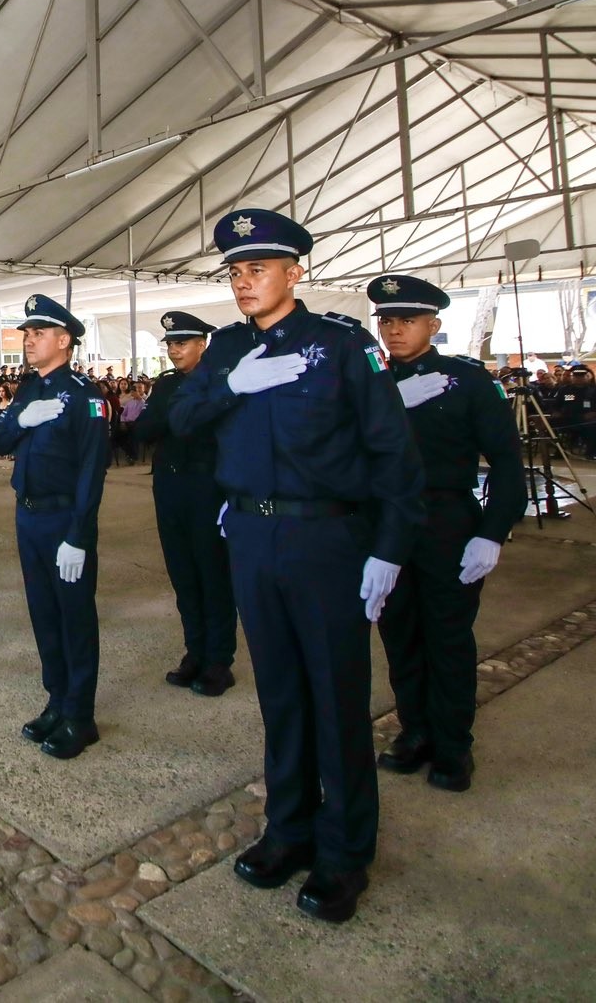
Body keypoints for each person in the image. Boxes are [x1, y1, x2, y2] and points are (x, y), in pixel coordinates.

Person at [168, 210, 423, 926]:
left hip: (326, 540)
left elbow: (393, 454)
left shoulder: (341, 345)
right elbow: (180, 422)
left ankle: (344, 852)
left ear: (295, 272)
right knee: (280, 695)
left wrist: (389, 547)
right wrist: (233, 385)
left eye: (259, 269)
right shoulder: (223, 352)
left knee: (337, 699)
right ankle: (288, 829)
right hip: (251, 533)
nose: (245, 282)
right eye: (236, 272)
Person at [367, 275, 524, 794]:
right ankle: (415, 731)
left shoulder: (469, 381)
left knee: (448, 637)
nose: (394, 330)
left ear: (434, 324)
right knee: (399, 633)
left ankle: (454, 746)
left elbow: (504, 461)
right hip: (386, 523)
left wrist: (493, 530)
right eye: (387, 320)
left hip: (445, 520)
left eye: (407, 320)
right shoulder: (370, 383)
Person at [0, 295, 113, 759]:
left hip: (64, 517)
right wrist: (21, 416)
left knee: (75, 618)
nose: (28, 340)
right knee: (43, 614)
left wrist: (79, 535)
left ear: (64, 341)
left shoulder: (85, 395)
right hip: (28, 513)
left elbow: (91, 470)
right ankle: (56, 700)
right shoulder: (27, 391)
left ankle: (80, 716)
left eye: (37, 333)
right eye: (26, 333)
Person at [132, 311, 236, 697]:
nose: (175, 350)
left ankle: (219, 661)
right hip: (171, 488)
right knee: (183, 574)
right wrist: (169, 415)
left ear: (202, 345)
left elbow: (214, 433)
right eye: (172, 344)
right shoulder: (166, 385)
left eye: (182, 343)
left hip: (209, 489)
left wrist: (172, 418)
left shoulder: (219, 383)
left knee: (213, 575)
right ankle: (195, 650)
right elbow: (142, 431)